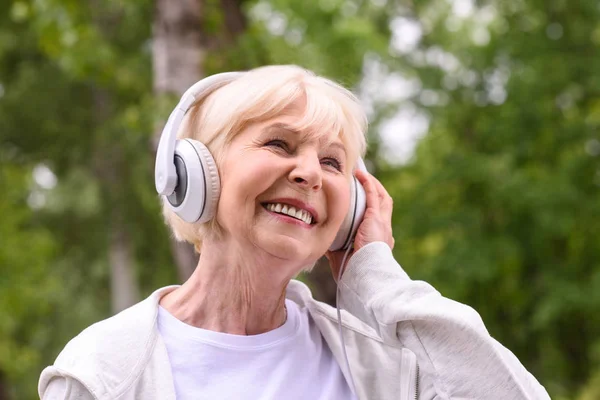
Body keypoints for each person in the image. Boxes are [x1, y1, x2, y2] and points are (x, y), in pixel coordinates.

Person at [38, 65, 550, 400]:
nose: (309, 173)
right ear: (194, 173)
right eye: (280, 145)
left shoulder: (379, 362)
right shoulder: (102, 372)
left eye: (332, 161)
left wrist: (377, 279)